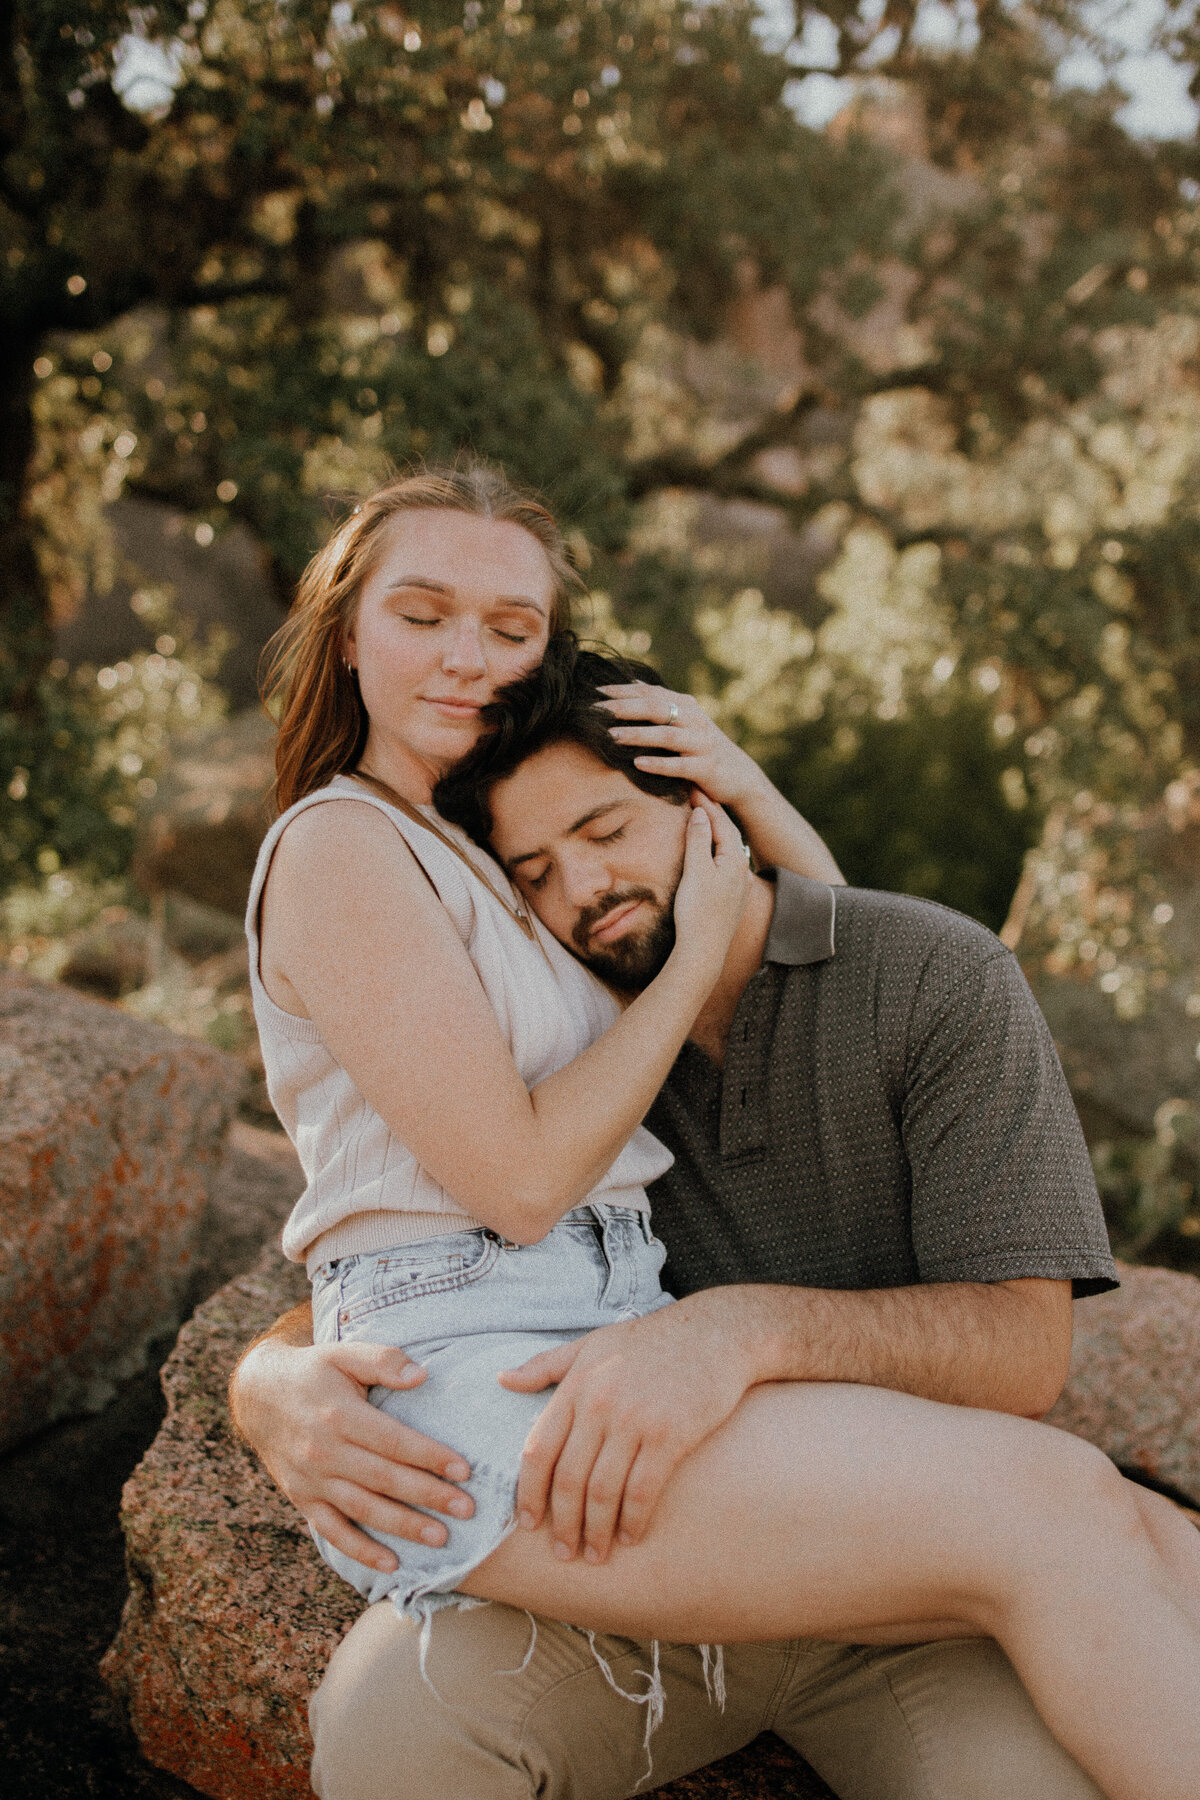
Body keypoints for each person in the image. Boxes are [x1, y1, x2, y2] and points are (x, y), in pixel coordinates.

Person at [235, 461, 1200, 1800]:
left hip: (601, 1377)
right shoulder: (365, 854)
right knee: (1065, 1506)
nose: (468, 660)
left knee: (1113, 1529)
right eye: (423, 614)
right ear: (349, 632)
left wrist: (736, 798)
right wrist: (263, 1381)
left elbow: (831, 972)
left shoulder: (510, 900)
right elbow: (492, 1198)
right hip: (514, 1385)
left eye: (512, 632)